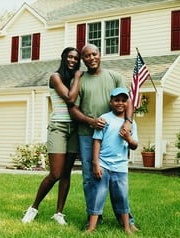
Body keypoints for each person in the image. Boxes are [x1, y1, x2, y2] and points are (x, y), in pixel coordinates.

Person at [69, 44, 138, 231]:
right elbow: (72, 108)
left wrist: (128, 122)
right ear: (82, 59)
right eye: (87, 56)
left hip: (112, 135)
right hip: (86, 135)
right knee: (90, 178)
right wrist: (91, 121)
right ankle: (94, 219)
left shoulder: (114, 77)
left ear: (100, 55)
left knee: (118, 182)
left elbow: (128, 101)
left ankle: (127, 221)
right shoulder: (80, 79)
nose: (91, 58)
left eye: (94, 54)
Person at [22, 47, 82, 225]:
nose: (72, 60)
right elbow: (70, 98)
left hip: (75, 129)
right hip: (58, 127)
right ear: (64, 58)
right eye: (70, 57)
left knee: (66, 174)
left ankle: (58, 213)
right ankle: (33, 208)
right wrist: (78, 77)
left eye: (76, 58)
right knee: (55, 173)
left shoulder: (75, 79)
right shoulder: (55, 77)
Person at [86, 87, 138, 235]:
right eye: (116, 100)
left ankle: (127, 227)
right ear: (111, 102)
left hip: (120, 166)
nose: (120, 103)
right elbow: (97, 141)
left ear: (127, 103)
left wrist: (128, 138)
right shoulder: (105, 119)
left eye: (123, 100)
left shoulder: (131, 124)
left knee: (122, 196)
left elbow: (134, 145)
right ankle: (91, 228)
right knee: (98, 195)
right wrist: (95, 163)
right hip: (103, 164)